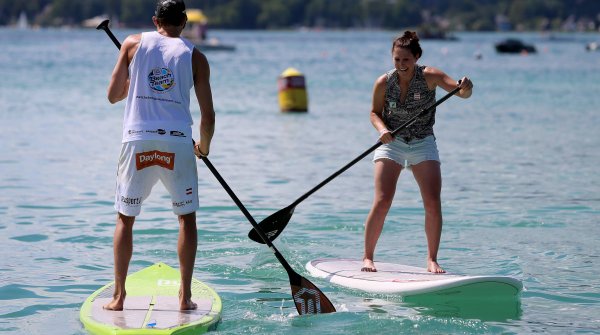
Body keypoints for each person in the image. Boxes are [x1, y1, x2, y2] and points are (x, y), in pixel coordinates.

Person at [103, 0, 215, 311]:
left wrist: (130, 85)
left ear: (156, 21)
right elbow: (208, 117)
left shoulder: (131, 43)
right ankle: (185, 297)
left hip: (137, 139)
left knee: (125, 219)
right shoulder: (197, 57)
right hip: (178, 142)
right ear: (185, 23)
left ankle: (119, 297)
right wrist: (203, 148)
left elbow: (113, 96)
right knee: (186, 218)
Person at [362, 31, 473, 274]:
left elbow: (460, 92)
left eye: (406, 60)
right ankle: (368, 258)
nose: (401, 65)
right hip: (392, 142)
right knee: (382, 200)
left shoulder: (430, 76)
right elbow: (374, 113)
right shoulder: (383, 82)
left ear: (417, 57)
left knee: (432, 203)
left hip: (423, 142)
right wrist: (382, 129)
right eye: (397, 60)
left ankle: (432, 259)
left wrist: (465, 87)